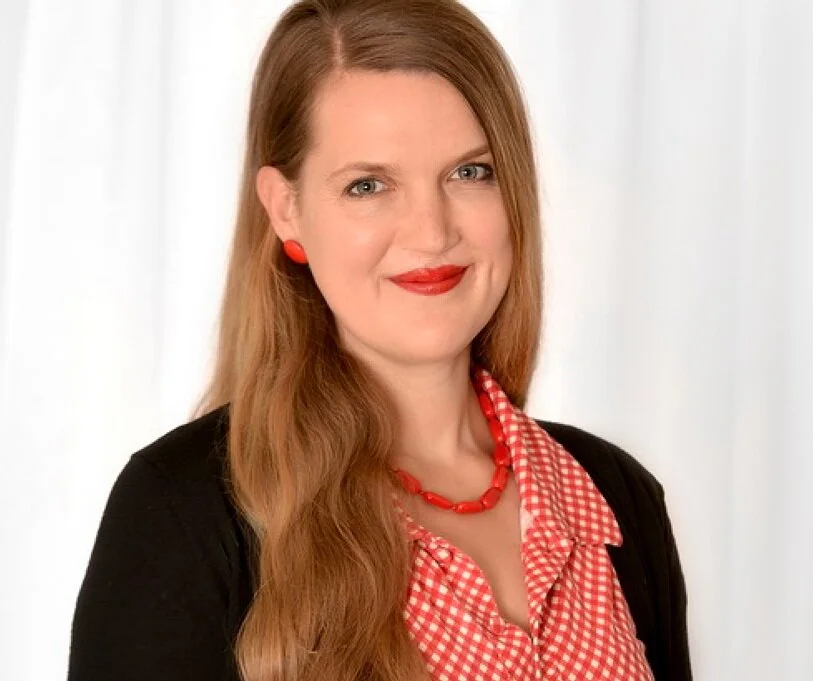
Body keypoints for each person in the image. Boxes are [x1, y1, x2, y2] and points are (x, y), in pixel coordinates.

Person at [65, 1, 691, 679]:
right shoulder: (181, 512)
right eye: (368, 185)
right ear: (287, 210)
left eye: (469, 172)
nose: (432, 230)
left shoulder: (617, 497)